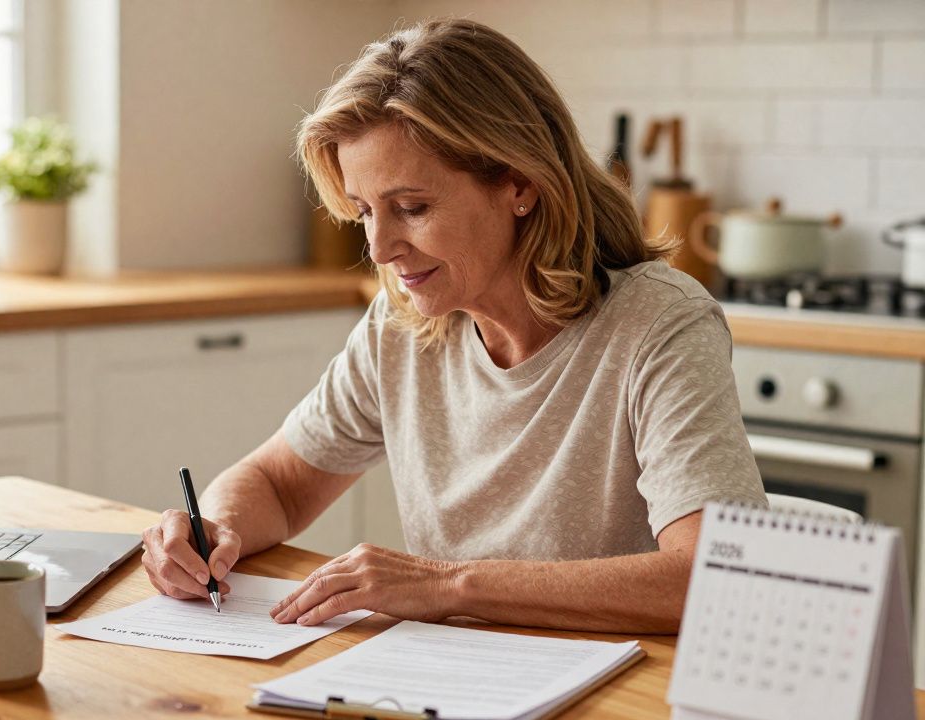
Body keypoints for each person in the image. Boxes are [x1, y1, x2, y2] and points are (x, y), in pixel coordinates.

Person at [140, 18, 765, 634]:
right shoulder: (404, 323)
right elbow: (279, 484)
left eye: (412, 208)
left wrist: (446, 584)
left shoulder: (658, 324)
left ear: (519, 183)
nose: (381, 249)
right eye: (364, 213)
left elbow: (717, 576)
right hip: (454, 685)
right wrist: (213, 531)